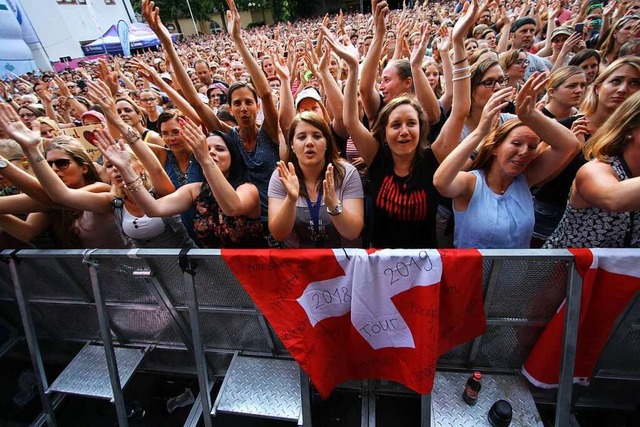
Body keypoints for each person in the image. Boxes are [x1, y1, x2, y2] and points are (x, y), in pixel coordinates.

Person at [329, 0, 475, 248]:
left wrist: (458, 44)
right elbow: (351, 121)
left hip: (423, 270)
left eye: (411, 123)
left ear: (422, 129)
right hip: (383, 267)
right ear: (384, 133)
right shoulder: (377, 158)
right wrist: (355, 66)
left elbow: (460, 109)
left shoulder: (433, 159)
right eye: (396, 125)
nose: (404, 131)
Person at [433, 73, 580, 249]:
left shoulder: (526, 178)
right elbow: (441, 181)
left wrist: (530, 115)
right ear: (495, 147)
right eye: (516, 144)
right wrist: (481, 132)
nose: (524, 152)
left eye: (532, 147)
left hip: (514, 275)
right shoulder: (471, 182)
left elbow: (569, 144)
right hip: (473, 274)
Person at [105, 116, 265, 248]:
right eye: (207, 149)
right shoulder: (194, 190)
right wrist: (126, 171)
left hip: (253, 271)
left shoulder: (247, 189)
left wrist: (206, 160)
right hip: (217, 273)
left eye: (220, 149)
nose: (211, 153)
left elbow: (232, 208)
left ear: (233, 157)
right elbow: (153, 209)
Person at [532, 56, 640, 245]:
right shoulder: (566, 127)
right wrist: (570, 150)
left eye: (634, 83)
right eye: (616, 81)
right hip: (551, 218)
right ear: (598, 87)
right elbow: (536, 180)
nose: (623, 89)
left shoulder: (630, 144)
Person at [268, 112, 364, 248]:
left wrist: (333, 205)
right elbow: (278, 235)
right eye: (301, 137)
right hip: (298, 263)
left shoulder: (347, 173)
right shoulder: (281, 177)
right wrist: (290, 199)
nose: (309, 143)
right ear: (292, 145)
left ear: (327, 143)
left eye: (317, 136)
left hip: (343, 263)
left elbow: (353, 232)